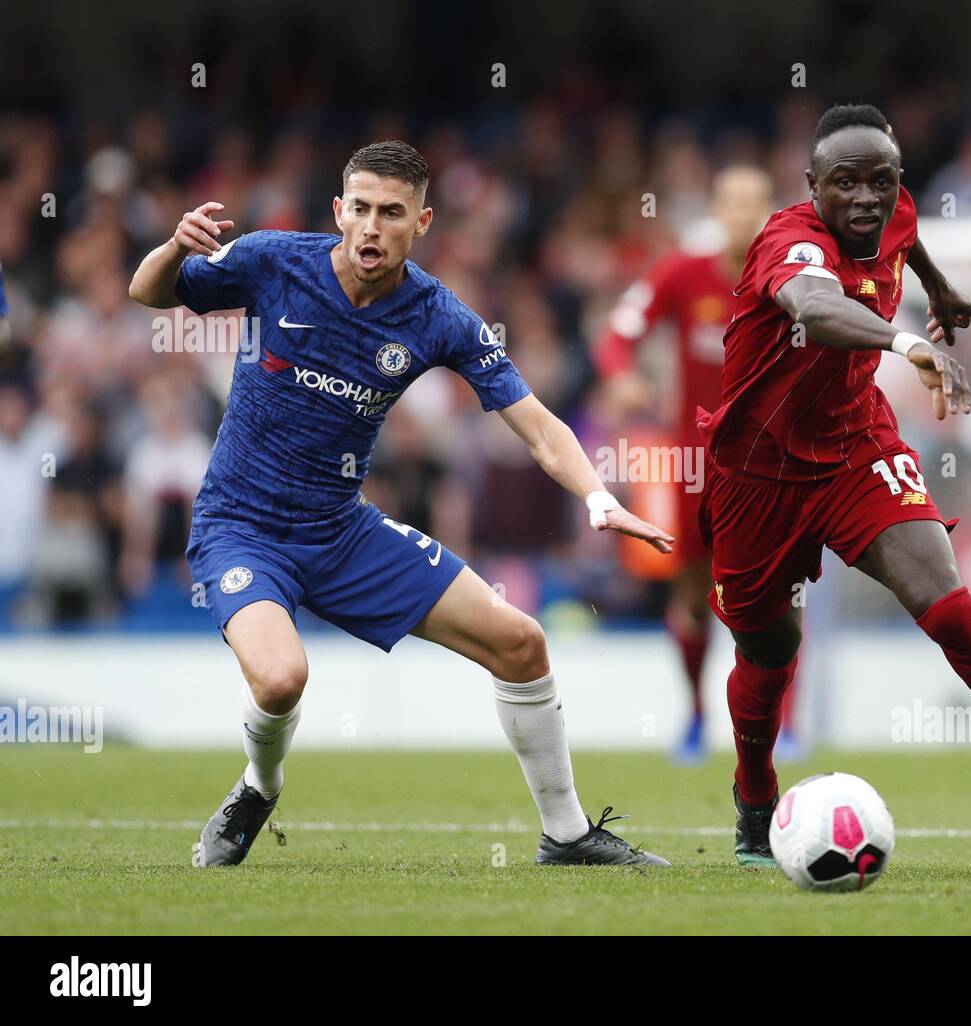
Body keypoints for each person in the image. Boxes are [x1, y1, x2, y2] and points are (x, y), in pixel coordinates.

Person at [129, 141, 673, 868]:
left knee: (523, 644)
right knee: (283, 677)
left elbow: (538, 424)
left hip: (342, 533)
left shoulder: (438, 316)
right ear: (338, 211)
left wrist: (598, 497)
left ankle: (567, 834)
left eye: (391, 213)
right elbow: (148, 292)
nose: (371, 227)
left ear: (421, 223)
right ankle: (258, 786)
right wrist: (172, 246)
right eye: (359, 209)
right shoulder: (272, 260)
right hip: (242, 527)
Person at [695, 104, 971, 867]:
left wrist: (939, 287)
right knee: (769, 650)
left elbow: (905, 238)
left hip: (856, 444)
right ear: (812, 186)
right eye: (844, 183)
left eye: (880, 182)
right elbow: (818, 310)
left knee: (943, 600)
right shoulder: (788, 245)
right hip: (755, 472)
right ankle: (754, 796)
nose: (865, 199)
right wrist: (906, 337)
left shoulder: (894, 212)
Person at [596, 165, 801, 762]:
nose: (742, 215)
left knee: (778, 596)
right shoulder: (684, 272)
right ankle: (694, 716)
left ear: (770, 212)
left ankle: (782, 723)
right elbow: (619, 332)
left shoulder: (793, 277)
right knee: (692, 591)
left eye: (754, 203)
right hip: (696, 461)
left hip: (774, 461)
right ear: (715, 209)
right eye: (731, 203)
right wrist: (622, 375)